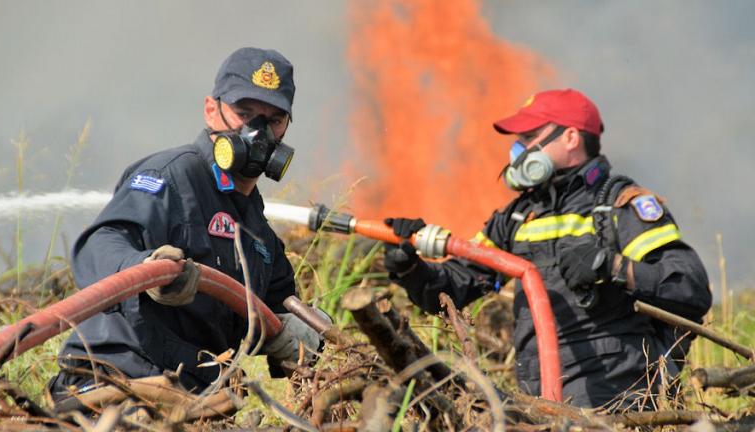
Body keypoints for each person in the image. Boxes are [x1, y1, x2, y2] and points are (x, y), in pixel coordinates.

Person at [383, 89, 711, 410]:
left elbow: (691, 288)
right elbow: (456, 286)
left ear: (570, 138)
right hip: (538, 403)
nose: (519, 149)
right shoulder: (517, 216)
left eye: (529, 137)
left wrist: (611, 267)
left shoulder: (620, 206)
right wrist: (410, 268)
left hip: (617, 403)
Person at [48, 47, 322, 402]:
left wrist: (305, 332)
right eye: (244, 113)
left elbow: (278, 307)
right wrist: (145, 271)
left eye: (273, 120)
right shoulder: (171, 177)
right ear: (212, 110)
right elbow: (101, 244)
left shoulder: (258, 234)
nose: (259, 132)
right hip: (112, 383)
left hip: (190, 398)